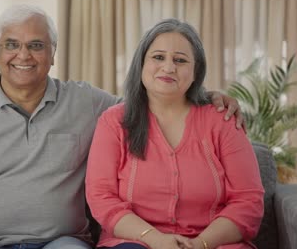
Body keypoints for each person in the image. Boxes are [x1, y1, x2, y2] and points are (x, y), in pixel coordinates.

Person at [0, 5, 245, 249]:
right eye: (11, 45)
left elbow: (154, 97)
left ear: (52, 54)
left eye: (37, 45)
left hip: (62, 241)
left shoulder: (89, 103)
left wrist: (207, 96)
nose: (23, 55)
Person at [85, 18, 264, 249]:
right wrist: (155, 239)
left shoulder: (223, 120)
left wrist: (200, 243)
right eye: (158, 57)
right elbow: (101, 197)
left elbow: (248, 201)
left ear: (195, 71)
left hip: (213, 244)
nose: (168, 67)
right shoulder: (114, 121)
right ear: (141, 63)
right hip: (134, 241)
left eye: (180, 60)